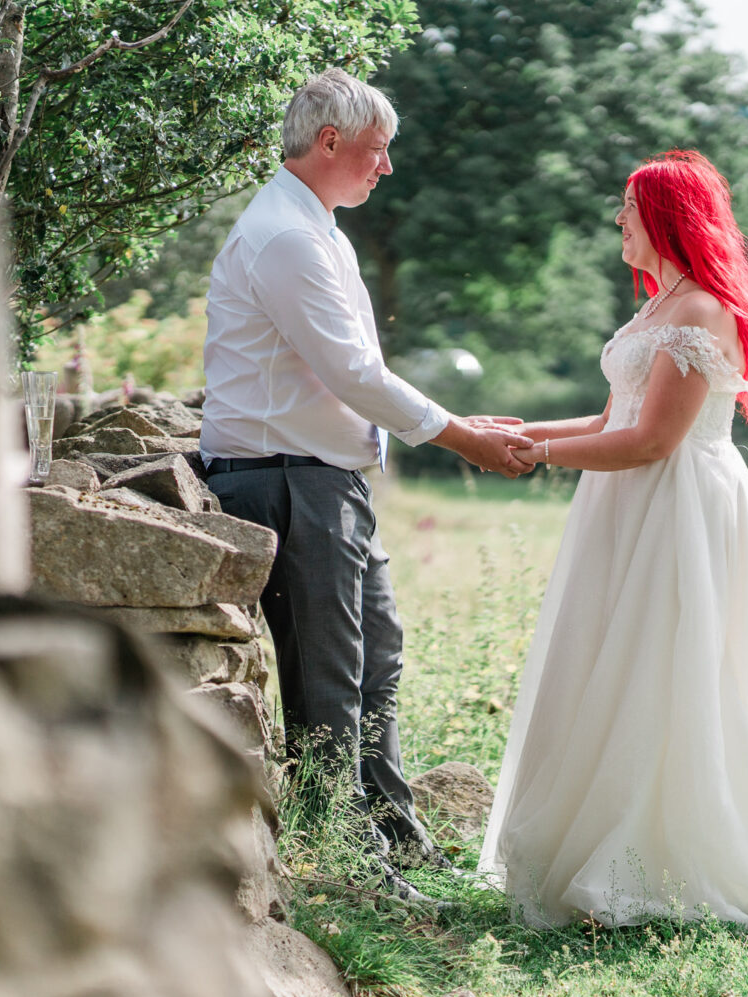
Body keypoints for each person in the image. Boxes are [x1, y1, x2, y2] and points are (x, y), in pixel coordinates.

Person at [477, 150, 748, 928]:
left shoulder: (700, 314)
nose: (617, 221)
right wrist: (511, 431)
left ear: (663, 216)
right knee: (613, 663)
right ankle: (604, 841)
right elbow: (608, 422)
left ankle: (675, 860)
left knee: (678, 667)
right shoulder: (658, 308)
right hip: (623, 506)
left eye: (628, 208)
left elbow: (653, 442)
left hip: (680, 508)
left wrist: (537, 457)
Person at [200, 69, 533, 902]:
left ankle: (394, 837)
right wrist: (460, 436)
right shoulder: (285, 237)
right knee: (329, 682)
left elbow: (362, 371)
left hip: (323, 479)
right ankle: (349, 868)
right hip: (285, 482)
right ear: (331, 143)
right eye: (379, 152)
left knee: (375, 659)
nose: (386, 169)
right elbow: (351, 371)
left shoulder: (320, 229)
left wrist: (457, 421)